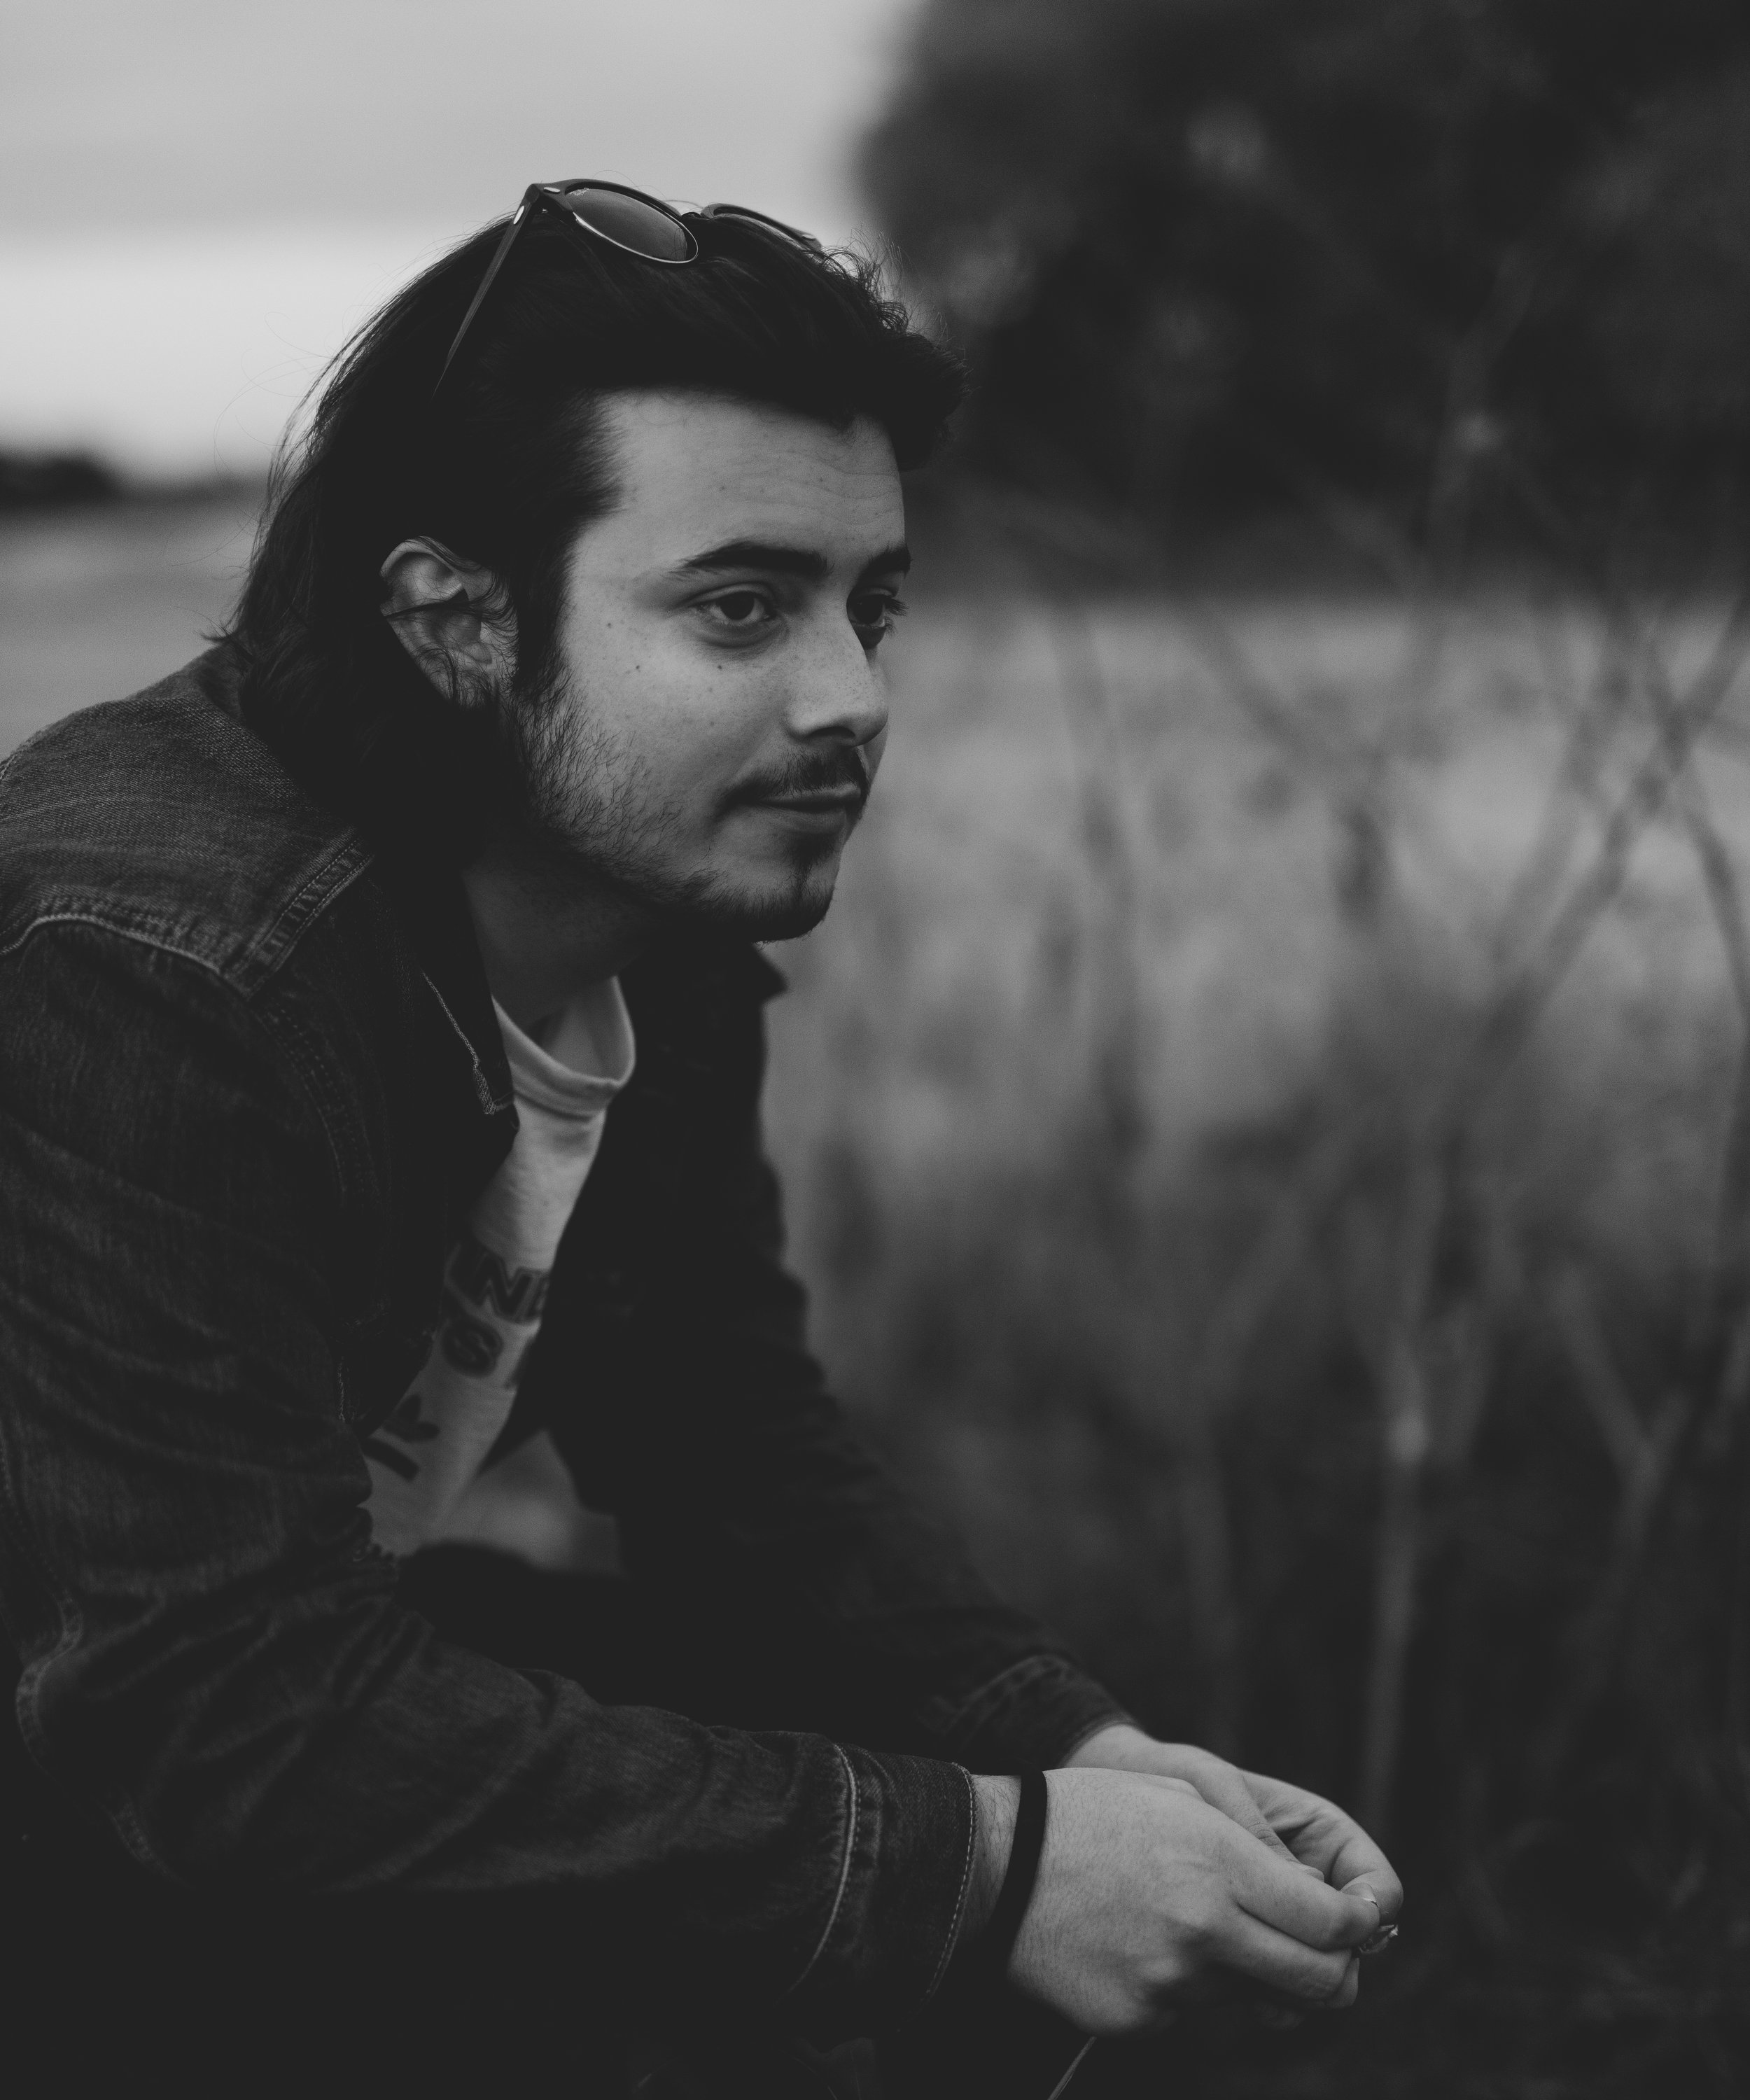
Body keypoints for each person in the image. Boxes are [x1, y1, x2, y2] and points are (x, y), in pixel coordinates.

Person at [0, 182, 1399, 2096]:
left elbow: (721, 1433)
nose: (852, 701)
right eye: (741, 607)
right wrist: (990, 1872)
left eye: (871, 606)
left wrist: (1077, 1761)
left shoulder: (644, 915)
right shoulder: (151, 969)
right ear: (456, 619)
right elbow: (211, 1717)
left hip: (194, 1726)